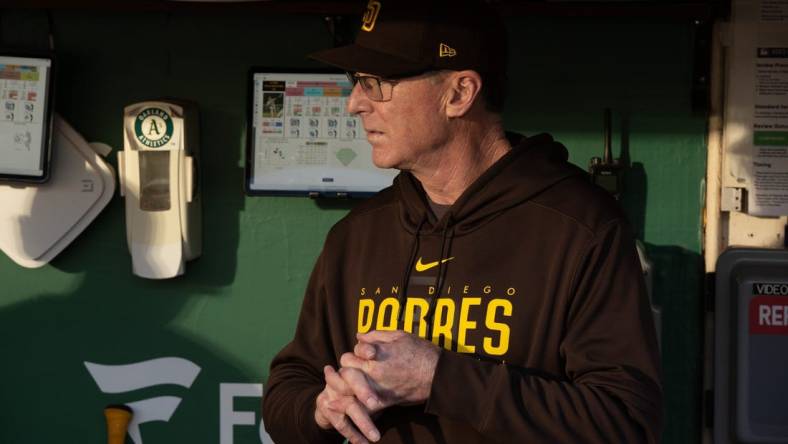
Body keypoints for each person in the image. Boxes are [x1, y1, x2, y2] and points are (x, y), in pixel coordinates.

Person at [262, 0, 663, 443]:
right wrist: (320, 408)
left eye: (378, 83)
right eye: (356, 82)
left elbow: (624, 423)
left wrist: (441, 379)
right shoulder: (357, 234)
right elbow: (287, 393)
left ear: (459, 93)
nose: (356, 103)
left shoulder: (581, 229)